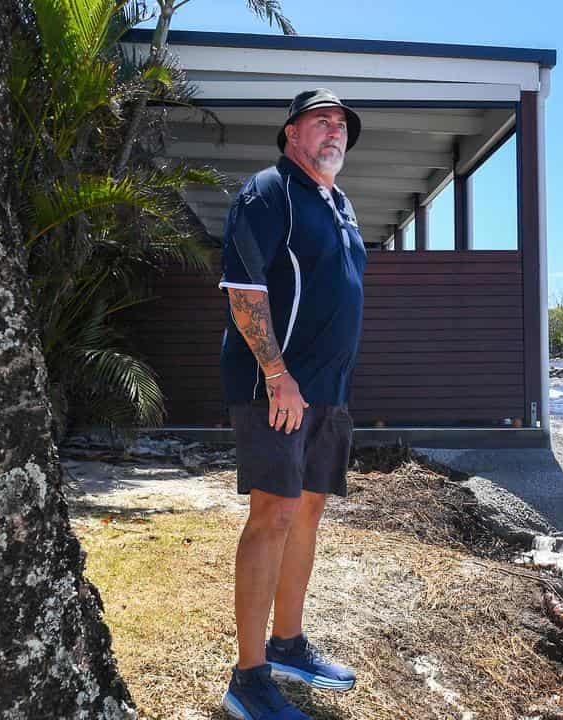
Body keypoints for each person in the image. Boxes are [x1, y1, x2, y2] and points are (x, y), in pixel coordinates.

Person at [216, 89, 368, 720]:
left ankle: (288, 644)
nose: (335, 132)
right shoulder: (268, 191)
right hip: (276, 387)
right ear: (291, 134)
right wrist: (278, 375)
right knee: (272, 516)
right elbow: (244, 291)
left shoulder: (339, 204)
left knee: (306, 515)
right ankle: (248, 679)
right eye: (321, 122)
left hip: (327, 391)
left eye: (342, 125)